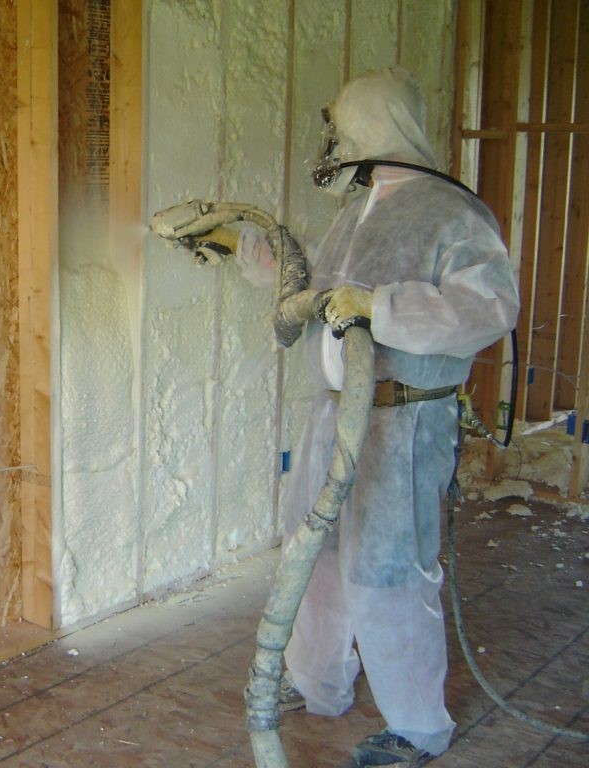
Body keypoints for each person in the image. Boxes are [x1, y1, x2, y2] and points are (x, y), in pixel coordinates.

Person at [271, 67, 520, 767]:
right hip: (335, 416)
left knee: (388, 572)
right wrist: (261, 256)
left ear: (371, 124)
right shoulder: (360, 208)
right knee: (313, 556)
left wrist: (381, 309)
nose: (336, 138)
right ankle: (317, 684)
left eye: (345, 123)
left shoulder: (451, 213)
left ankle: (415, 727)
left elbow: (490, 309)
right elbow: (323, 294)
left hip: (399, 422)